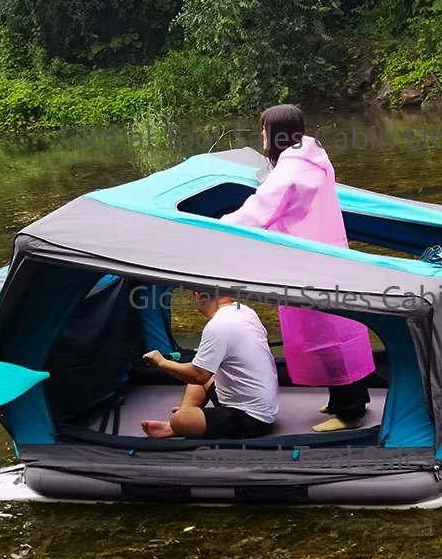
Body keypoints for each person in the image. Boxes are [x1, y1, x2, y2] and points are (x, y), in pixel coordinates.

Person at [220, 104, 375, 432]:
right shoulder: (311, 155)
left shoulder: (292, 172)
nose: (261, 136)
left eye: (263, 130)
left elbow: (259, 209)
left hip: (311, 263)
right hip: (325, 254)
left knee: (329, 333)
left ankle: (350, 412)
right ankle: (343, 399)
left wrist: (219, 226)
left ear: (274, 134)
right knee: (333, 331)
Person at [140, 291, 279, 439]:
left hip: (252, 417)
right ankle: (186, 417)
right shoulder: (245, 310)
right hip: (263, 405)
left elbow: (198, 375)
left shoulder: (217, 326)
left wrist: (162, 362)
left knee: (180, 418)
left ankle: (180, 424)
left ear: (197, 295)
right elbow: (266, 339)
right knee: (199, 374)